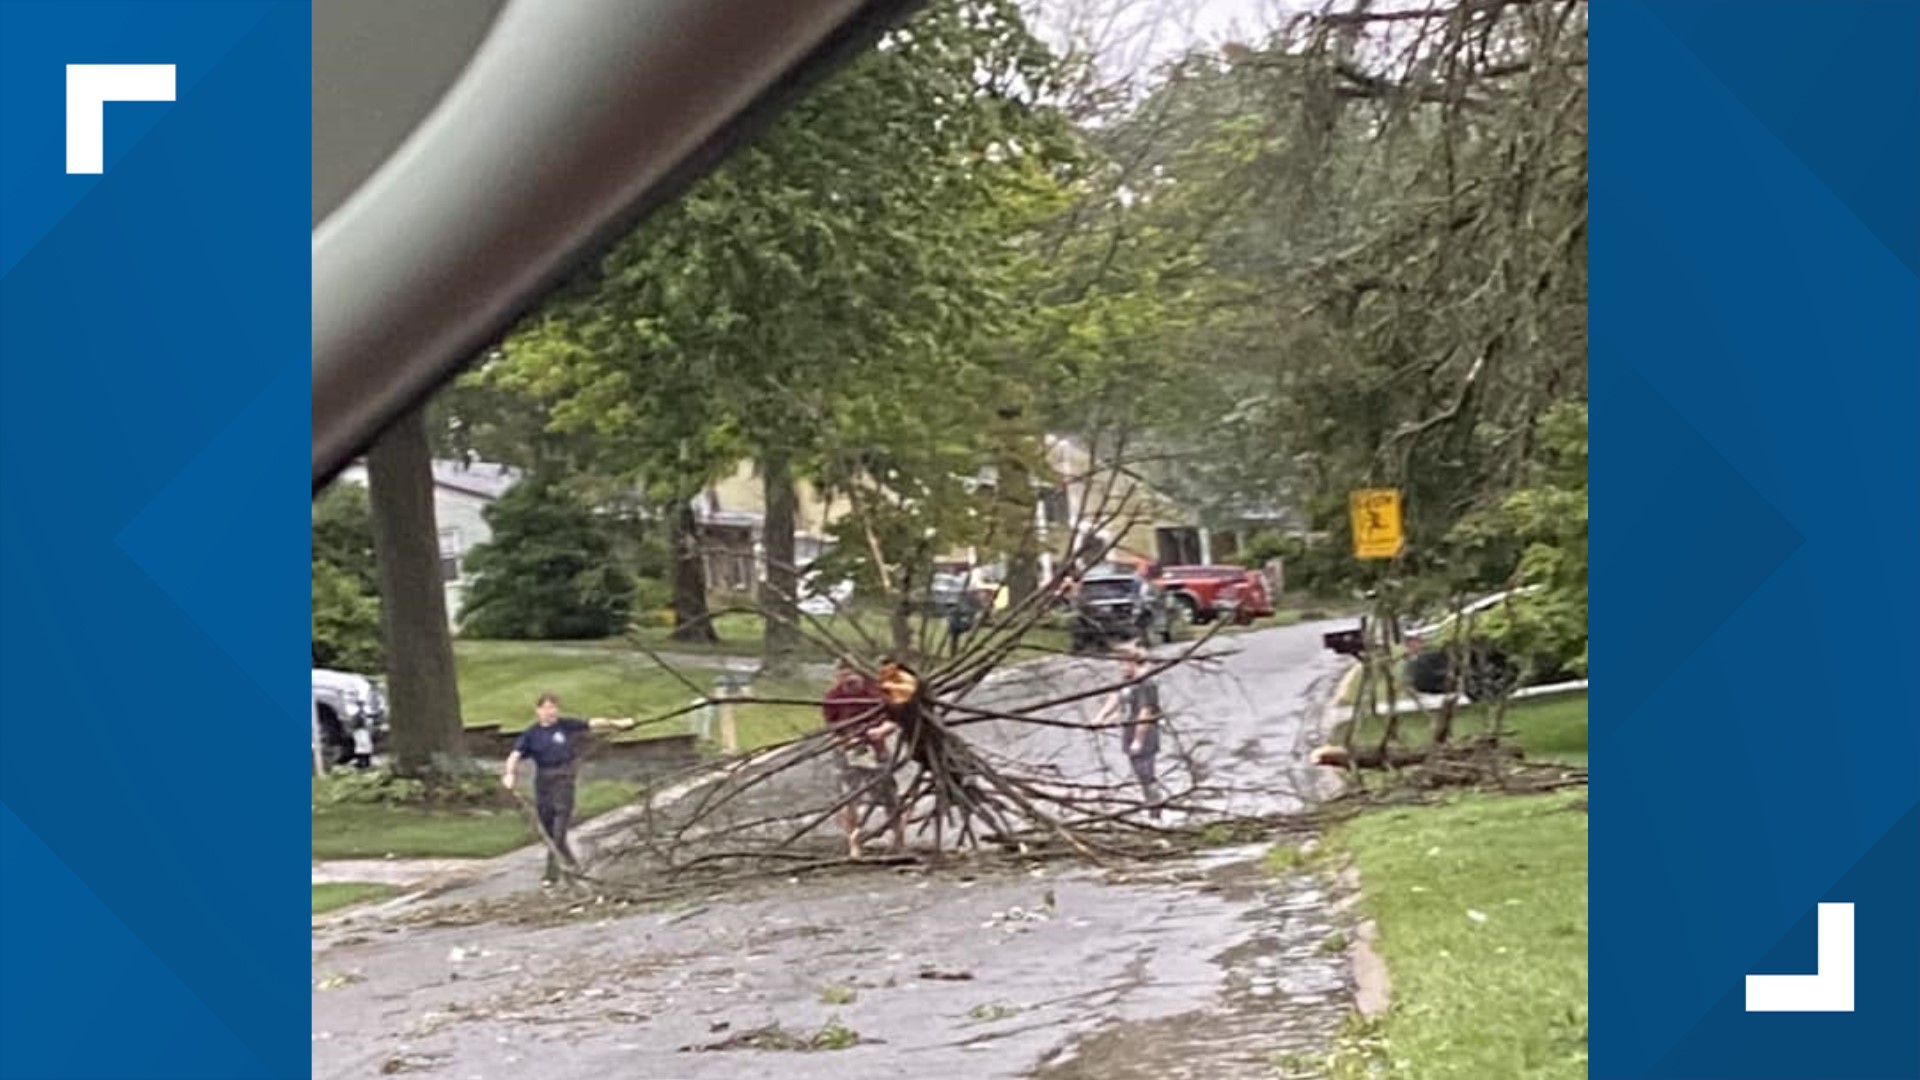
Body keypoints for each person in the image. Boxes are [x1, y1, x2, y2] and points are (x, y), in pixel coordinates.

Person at [501, 693, 637, 886]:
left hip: (564, 779)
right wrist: (509, 774)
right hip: (543, 782)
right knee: (549, 829)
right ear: (538, 710)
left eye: (554, 707)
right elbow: (515, 755)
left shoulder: (565, 726)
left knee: (559, 827)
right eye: (546, 708)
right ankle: (572, 866)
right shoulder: (531, 734)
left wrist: (617, 723)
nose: (551, 711)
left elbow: (592, 723)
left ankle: (551, 874)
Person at [822, 659, 905, 857]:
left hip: (876, 750)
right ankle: (854, 843)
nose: (849, 682)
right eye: (844, 678)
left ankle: (898, 838)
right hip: (848, 752)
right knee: (848, 798)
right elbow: (831, 727)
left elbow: (894, 718)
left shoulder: (876, 693)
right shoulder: (832, 697)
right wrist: (843, 741)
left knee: (889, 795)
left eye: (852, 677)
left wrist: (883, 730)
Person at [1092, 644, 1167, 816]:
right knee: (1139, 773)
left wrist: (1138, 739)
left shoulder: (1146, 683)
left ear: (1133, 662)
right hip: (1129, 729)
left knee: (1146, 772)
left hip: (1145, 732)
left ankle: (1155, 811)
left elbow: (1145, 712)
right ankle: (1151, 805)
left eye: (1123, 664)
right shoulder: (1128, 681)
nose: (1121, 668)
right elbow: (1116, 697)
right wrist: (1100, 717)